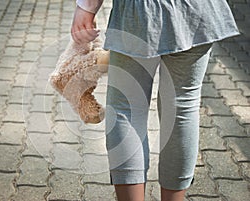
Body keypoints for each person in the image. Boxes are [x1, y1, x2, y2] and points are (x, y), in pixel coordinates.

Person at [71, 1, 239, 201]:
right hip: (196, 10)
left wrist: (87, 7)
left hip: (139, 10)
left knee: (127, 108)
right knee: (182, 107)